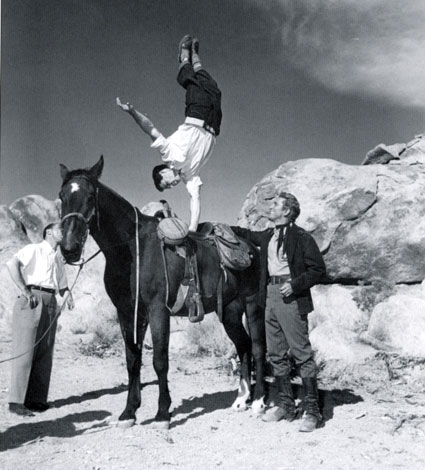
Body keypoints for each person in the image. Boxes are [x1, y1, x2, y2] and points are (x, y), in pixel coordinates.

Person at [233, 192, 326, 432]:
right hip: (270, 296)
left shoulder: (301, 237)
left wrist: (295, 284)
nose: (270, 207)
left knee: (301, 352)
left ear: (287, 211)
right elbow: (247, 234)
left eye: (275, 204)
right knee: (275, 353)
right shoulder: (268, 235)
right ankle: (286, 405)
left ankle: (312, 411)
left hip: (291, 295)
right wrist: (217, 228)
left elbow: (318, 269)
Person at [117, 35, 222, 232]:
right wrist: (192, 229)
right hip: (214, 123)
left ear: (163, 172)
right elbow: (195, 199)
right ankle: (196, 58)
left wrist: (132, 112)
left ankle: (184, 58)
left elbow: (151, 129)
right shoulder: (190, 176)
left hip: (196, 114)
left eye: (166, 184)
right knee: (214, 90)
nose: (172, 186)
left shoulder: (168, 154)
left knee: (191, 82)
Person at [6, 222, 74, 417]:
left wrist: (68, 295)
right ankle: (16, 401)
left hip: (51, 301)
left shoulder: (58, 258)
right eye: (60, 229)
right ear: (49, 232)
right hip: (32, 299)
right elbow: (12, 265)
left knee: (45, 350)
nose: (64, 231)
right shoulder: (33, 249)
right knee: (25, 350)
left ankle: (36, 399)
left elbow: (62, 285)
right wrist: (25, 290)